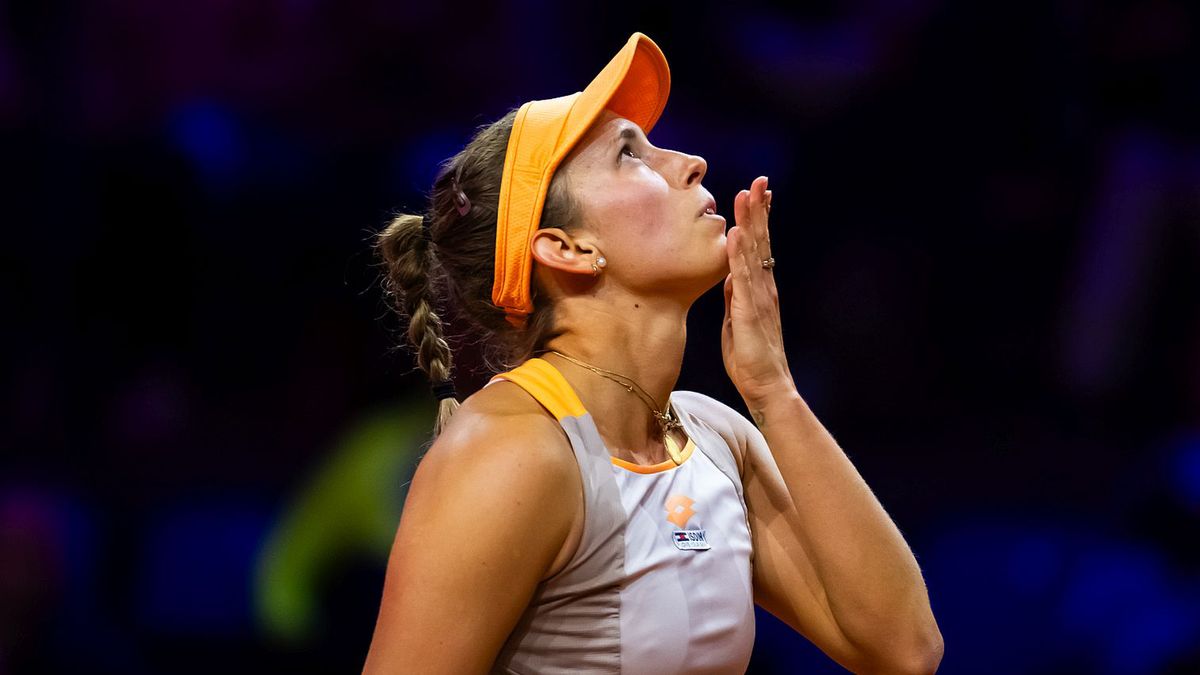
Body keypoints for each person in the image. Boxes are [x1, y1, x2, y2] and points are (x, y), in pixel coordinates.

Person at [362, 32, 943, 675]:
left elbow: (904, 651)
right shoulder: (511, 452)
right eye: (629, 155)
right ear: (568, 248)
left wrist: (774, 390)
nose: (691, 161)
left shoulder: (718, 438)